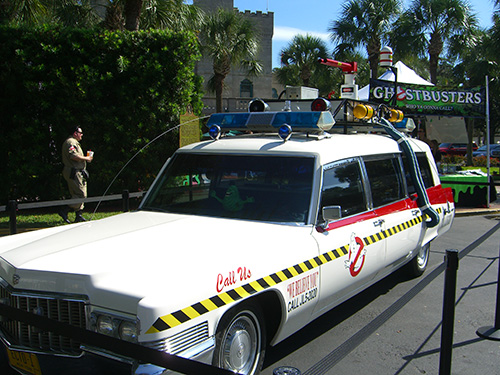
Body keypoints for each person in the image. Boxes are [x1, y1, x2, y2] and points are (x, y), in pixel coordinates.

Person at [59, 126, 94, 223]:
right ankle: (65, 209)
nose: (82, 135)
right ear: (75, 133)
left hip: (77, 172)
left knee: (78, 193)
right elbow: (73, 156)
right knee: (81, 194)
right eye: (80, 133)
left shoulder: (74, 142)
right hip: (74, 172)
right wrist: (86, 159)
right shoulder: (71, 142)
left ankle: (78, 215)